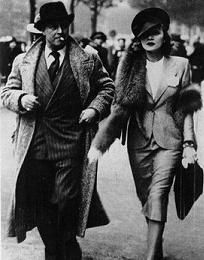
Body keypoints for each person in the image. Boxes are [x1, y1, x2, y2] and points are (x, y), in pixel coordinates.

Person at [1, 2, 114, 260]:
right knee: (41, 201)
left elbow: (107, 88)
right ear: (42, 30)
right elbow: (6, 92)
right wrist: (20, 99)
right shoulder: (24, 60)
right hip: (36, 142)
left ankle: (65, 244)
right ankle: (54, 248)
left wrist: (94, 109)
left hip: (71, 141)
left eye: (64, 25)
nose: (60, 31)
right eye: (53, 27)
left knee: (67, 199)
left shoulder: (87, 58)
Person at [88, 8, 202, 260]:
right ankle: (156, 245)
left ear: (164, 34)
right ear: (138, 40)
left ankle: (150, 257)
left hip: (170, 140)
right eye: (143, 35)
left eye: (155, 32)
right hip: (138, 141)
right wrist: (100, 142)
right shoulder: (128, 67)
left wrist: (189, 143)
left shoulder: (181, 65)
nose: (149, 38)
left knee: (158, 193)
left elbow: (188, 109)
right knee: (146, 196)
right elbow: (118, 108)